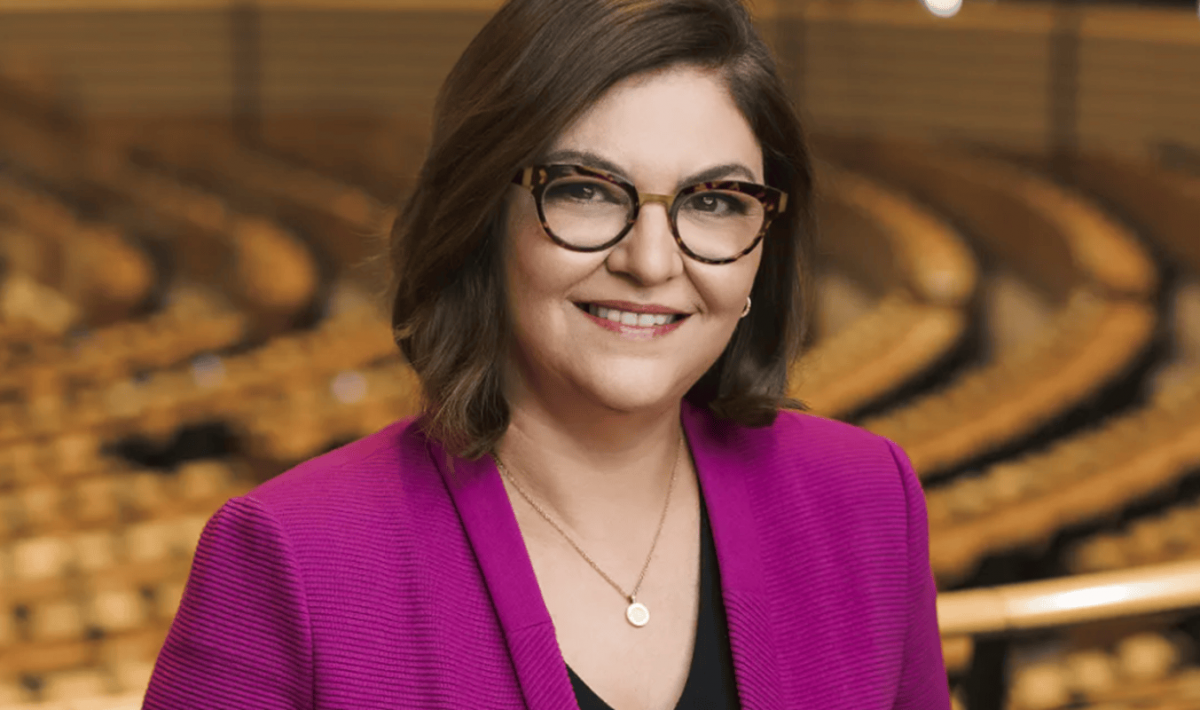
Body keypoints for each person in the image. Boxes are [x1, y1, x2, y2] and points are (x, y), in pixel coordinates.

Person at [144, 0, 949, 707]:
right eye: (586, 190)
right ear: (481, 217)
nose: (652, 262)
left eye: (713, 201)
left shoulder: (867, 501)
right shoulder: (291, 560)